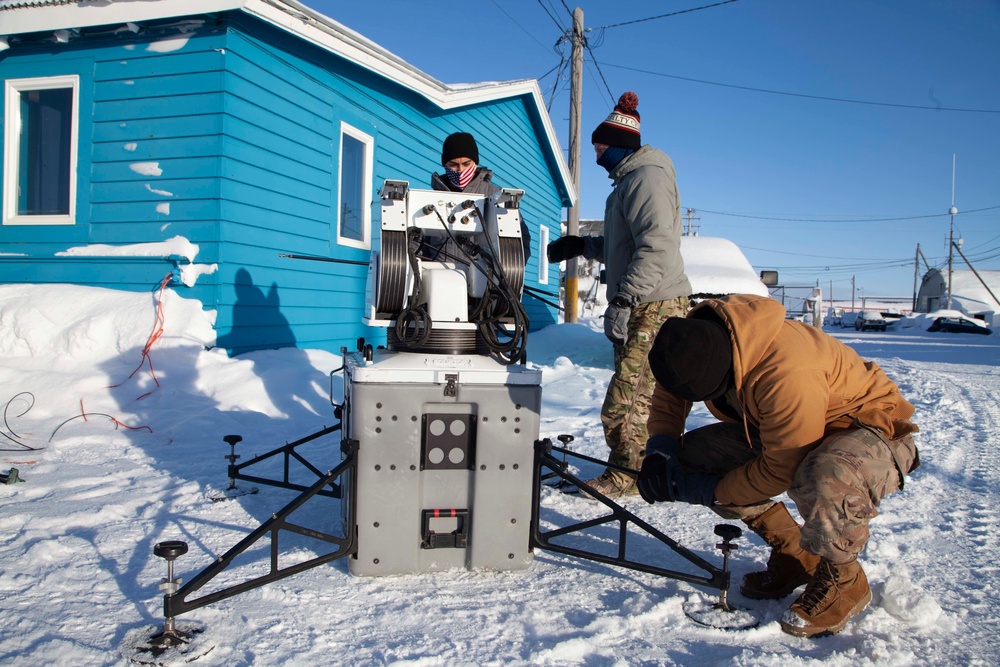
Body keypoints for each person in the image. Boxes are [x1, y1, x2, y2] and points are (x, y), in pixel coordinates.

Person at [638, 293, 920, 638]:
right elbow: (673, 390)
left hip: (867, 432)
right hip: (794, 424)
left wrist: (712, 491)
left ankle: (845, 579)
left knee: (825, 475)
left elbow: (780, 468)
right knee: (693, 459)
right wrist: (661, 447)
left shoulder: (786, 368)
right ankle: (795, 555)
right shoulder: (699, 338)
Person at [546, 92, 691, 498]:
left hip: (653, 302)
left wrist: (625, 300)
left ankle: (626, 478)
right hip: (643, 299)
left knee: (625, 400)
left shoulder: (647, 178)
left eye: (599, 146)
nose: (596, 154)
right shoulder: (628, 181)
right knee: (636, 394)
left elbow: (656, 246)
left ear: (618, 144)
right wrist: (581, 246)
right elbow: (621, 243)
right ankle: (638, 467)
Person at [430, 132, 530, 262]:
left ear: (475, 163)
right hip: (438, 277)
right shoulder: (431, 199)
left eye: (466, 164)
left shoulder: (495, 196)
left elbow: (520, 238)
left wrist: (508, 268)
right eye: (453, 164)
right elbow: (415, 241)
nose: (460, 170)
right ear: (445, 165)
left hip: (484, 278)